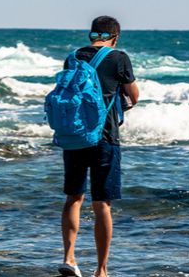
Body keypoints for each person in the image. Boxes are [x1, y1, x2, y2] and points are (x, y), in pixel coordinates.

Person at [58, 16, 139, 277]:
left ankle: (69, 259)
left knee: (73, 198)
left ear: (92, 34)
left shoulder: (73, 56)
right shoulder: (119, 57)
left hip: (75, 136)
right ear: (115, 37)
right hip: (104, 137)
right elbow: (134, 96)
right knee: (102, 204)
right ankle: (101, 270)